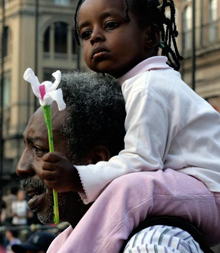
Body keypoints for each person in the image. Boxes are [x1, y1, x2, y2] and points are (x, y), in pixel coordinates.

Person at [34, 0, 220, 250]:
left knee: (129, 189)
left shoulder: (147, 85)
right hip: (195, 192)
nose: (95, 36)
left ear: (150, 37)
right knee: (92, 214)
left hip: (210, 195)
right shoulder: (141, 83)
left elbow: (143, 162)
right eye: (85, 33)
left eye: (110, 25)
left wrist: (77, 176)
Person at [16, 72, 205, 252]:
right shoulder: (62, 244)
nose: (21, 167)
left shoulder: (151, 244)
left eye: (39, 150)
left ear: (97, 160)